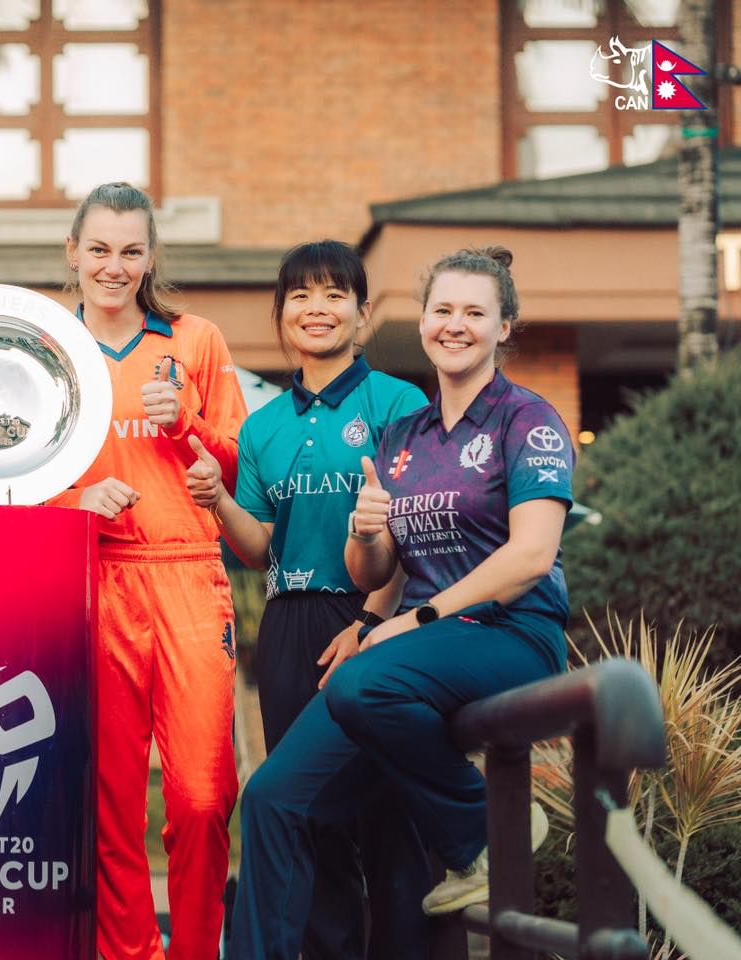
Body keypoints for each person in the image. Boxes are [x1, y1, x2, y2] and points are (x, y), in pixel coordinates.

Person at [227, 246, 569, 958]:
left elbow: (531, 558)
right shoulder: (403, 436)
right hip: (416, 647)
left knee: (364, 688)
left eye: (474, 312)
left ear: (504, 326)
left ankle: (483, 831)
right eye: (442, 310)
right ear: (420, 322)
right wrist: (366, 551)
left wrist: (412, 619)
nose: (455, 325)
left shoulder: (527, 420)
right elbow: (380, 568)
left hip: (508, 634)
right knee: (270, 800)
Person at [185, 240, 429, 958]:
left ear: (361, 313)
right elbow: (260, 547)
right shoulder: (263, 426)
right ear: (281, 314)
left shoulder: (399, 403)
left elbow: (414, 535)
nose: (316, 308)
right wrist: (218, 499)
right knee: (308, 815)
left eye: (334, 294)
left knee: (388, 814)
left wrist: (370, 622)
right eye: (300, 295)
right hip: (291, 625)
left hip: (375, 621)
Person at [49, 182, 248, 960]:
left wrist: (186, 424)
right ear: (73, 252)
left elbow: (242, 467)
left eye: (131, 251)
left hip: (188, 573)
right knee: (109, 805)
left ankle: (197, 950)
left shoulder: (196, 340)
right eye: (99, 249)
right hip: (92, 579)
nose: (114, 266)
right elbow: (2, 484)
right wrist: (76, 499)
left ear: (151, 256)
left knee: (202, 795)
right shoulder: (45, 348)